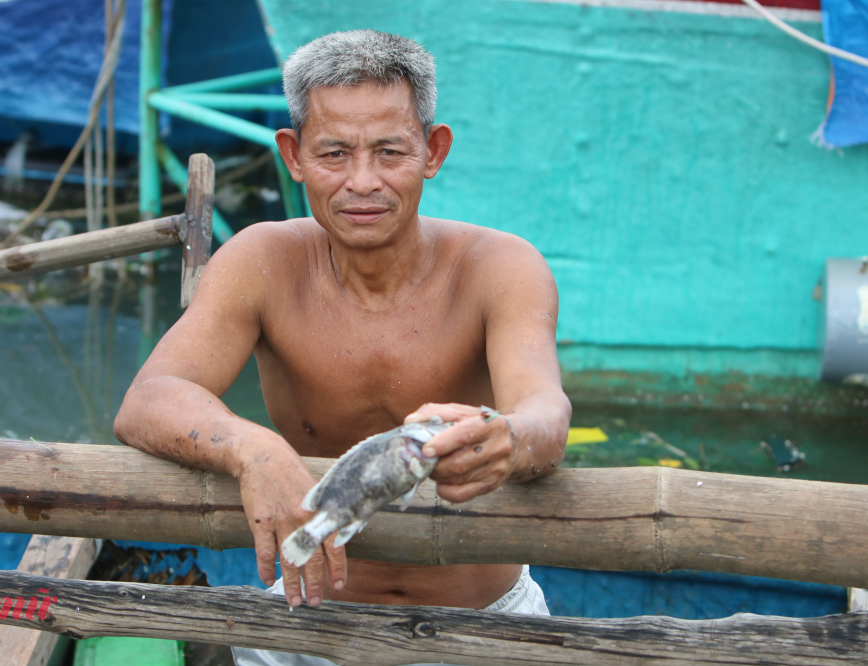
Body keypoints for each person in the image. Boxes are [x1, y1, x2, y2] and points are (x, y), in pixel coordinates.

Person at [113, 29, 571, 666]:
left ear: (432, 151)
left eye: (390, 152)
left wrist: (509, 437)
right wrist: (254, 451)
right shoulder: (263, 260)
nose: (363, 182)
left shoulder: (500, 267)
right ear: (293, 154)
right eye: (334, 154)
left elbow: (547, 412)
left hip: (484, 625)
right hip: (306, 620)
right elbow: (149, 398)